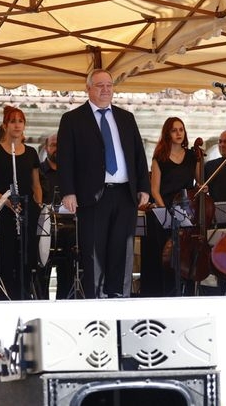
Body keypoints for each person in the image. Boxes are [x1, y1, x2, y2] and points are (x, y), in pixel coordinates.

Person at [57, 68, 150, 299]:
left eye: (109, 85)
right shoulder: (72, 119)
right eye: (100, 85)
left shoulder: (126, 117)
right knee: (94, 253)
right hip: (92, 196)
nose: (106, 90)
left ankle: (120, 298)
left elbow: (138, 154)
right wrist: (68, 192)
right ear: (88, 88)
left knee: (123, 250)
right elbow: (65, 158)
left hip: (124, 194)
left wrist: (144, 188)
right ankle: (96, 302)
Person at [0, 106, 43, 300]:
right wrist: (5, 200)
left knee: (27, 257)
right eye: (12, 121)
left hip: (27, 211)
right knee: (7, 258)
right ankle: (7, 297)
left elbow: (36, 185)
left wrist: (38, 204)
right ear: (5, 126)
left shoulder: (31, 153)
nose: (17, 125)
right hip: (4, 212)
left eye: (20, 121)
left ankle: (25, 296)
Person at [141, 117, 200, 297]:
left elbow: (200, 182)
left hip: (185, 209)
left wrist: (202, 184)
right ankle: (161, 294)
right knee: (162, 256)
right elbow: (155, 190)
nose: (179, 133)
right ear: (168, 133)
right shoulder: (160, 158)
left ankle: (186, 290)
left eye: (181, 130)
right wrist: (164, 212)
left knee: (185, 253)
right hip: (163, 211)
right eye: (174, 130)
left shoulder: (192, 156)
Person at [37, 132, 76, 299]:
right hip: (44, 231)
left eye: (60, 145)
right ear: (46, 148)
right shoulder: (38, 171)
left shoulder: (71, 174)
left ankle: (64, 304)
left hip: (67, 232)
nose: (56, 149)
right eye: (53, 145)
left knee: (68, 274)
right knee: (41, 276)